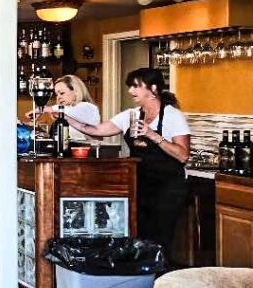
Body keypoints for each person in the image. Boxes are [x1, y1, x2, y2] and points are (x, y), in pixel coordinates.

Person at [64, 68, 190, 254]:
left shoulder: (173, 116)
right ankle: (142, 279)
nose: (130, 91)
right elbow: (96, 130)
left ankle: (160, 279)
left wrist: (153, 135)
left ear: (153, 88)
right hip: (140, 184)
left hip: (168, 188)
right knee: (139, 236)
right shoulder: (130, 115)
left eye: (135, 86)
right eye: (130, 86)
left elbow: (183, 155)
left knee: (160, 237)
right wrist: (65, 116)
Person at [28, 74, 100, 141]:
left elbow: (68, 111)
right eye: (56, 94)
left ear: (76, 91)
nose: (58, 97)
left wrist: (43, 109)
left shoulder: (88, 107)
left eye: (62, 93)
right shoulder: (65, 113)